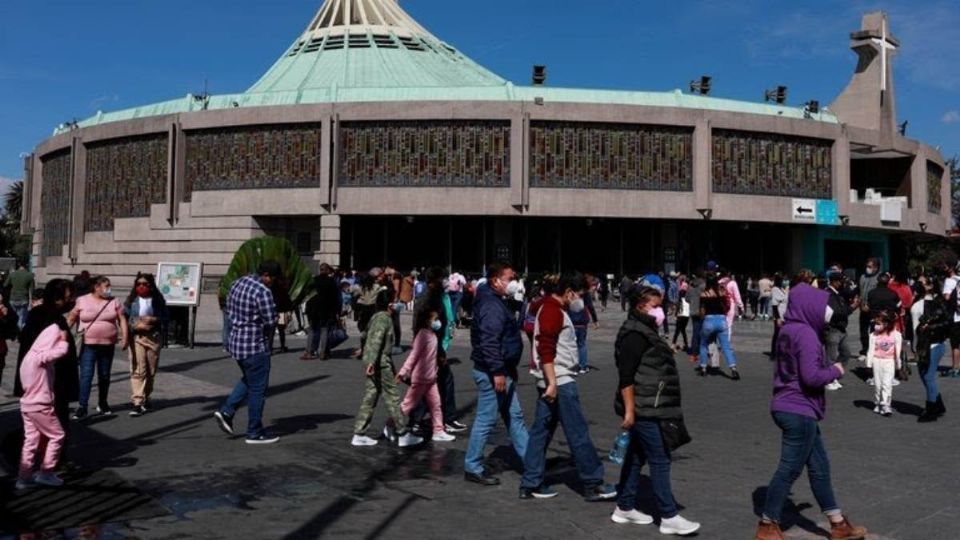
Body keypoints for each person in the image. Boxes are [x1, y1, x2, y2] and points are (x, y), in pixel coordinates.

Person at [756, 280, 867, 540]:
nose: (825, 311)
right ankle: (767, 524)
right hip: (799, 407)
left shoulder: (787, 330)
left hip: (787, 403)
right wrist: (836, 370)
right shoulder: (805, 334)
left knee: (819, 466)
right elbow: (811, 377)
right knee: (790, 468)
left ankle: (838, 523)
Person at [611, 286, 700, 536]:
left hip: (651, 402)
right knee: (660, 458)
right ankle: (669, 515)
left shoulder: (646, 331)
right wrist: (629, 412)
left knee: (638, 455)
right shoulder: (634, 335)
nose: (661, 311)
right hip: (645, 407)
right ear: (641, 306)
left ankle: (625, 506)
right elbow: (626, 376)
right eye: (656, 306)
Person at [520, 275, 617, 502]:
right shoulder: (553, 310)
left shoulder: (545, 306)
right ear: (569, 292)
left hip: (549, 378)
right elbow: (546, 348)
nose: (581, 300)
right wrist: (553, 382)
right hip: (560, 380)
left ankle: (530, 482)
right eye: (581, 295)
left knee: (541, 432)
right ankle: (593, 483)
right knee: (577, 431)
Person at [464, 262, 528, 486]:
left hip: (502, 370)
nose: (514, 282)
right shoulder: (491, 305)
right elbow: (489, 341)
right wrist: (498, 371)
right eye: (510, 278)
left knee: (515, 417)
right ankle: (472, 465)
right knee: (486, 419)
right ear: (496, 280)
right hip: (494, 372)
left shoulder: (494, 300)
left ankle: (531, 462)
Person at [213, 262, 281, 444]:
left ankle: (227, 411)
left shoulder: (238, 282)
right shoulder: (263, 291)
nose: (272, 283)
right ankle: (254, 432)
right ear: (266, 275)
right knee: (258, 389)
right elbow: (271, 319)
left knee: (249, 379)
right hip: (254, 344)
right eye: (273, 279)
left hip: (236, 341)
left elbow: (227, 307)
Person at [14, 280, 79, 467]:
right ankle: (50, 465)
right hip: (47, 382)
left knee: (40, 428)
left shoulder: (48, 315)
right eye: (69, 295)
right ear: (58, 298)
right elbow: (41, 353)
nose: (72, 299)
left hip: (48, 381)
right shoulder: (47, 317)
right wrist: (64, 345)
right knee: (53, 426)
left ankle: (33, 468)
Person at [351, 288, 422, 448]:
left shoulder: (376, 317)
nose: (398, 304)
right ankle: (402, 433)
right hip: (380, 363)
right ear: (390, 304)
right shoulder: (384, 319)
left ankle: (359, 432)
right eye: (396, 301)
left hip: (376, 361)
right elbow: (376, 340)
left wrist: (367, 357)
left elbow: (364, 336)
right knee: (392, 397)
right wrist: (372, 361)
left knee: (371, 396)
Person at [412, 266, 466, 434]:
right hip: (430, 347)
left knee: (435, 383)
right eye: (442, 279)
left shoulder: (441, 296)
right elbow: (422, 325)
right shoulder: (427, 299)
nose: (445, 282)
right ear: (433, 281)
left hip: (437, 345)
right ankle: (421, 419)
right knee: (433, 383)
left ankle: (427, 419)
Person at [16, 323, 70, 490]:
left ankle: (24, 477)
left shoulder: (28, 357)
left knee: (31, 440)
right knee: (57, 435)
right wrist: (63, 340)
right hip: (40, 405)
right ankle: (46, 472)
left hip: (27, 405)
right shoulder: (39, 358)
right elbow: (61, 352)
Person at [68, 276, 128, 419]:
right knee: (86, 376)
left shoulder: (114, 301)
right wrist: (60, 334)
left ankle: (103, 402)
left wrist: (125, 337)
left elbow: (122, 319)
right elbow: (71, 318)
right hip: (88, 344)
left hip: (107, 344)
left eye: (109, 285)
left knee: (104, 375)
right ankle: (82, 406)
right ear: (96, 287)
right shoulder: (82, 300)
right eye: (106, 285)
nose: (109, 288)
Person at [395, 309, 455, 443]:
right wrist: (403, 372)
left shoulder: (432, 335)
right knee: (408, 405)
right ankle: (391, 423)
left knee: (436, 405)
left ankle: (438, 431)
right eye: (435, 319)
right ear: (427, 321)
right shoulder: (423, 335)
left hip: (431, 378)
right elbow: (413, 356)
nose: (437, 322)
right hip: (421, 378)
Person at [123, 273, 169, 417]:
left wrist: (154, 319)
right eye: (138, 284)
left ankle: (146, 396)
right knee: (138, 370)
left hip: (154, 338)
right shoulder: (132, 301)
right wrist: (135, 326)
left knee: (151, 371)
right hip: (137, 337)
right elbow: (124, 318)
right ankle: (137, 402)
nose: (141, 287)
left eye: (145, 284)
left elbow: (166, 318)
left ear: (151, 286)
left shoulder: (157, 301)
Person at [912, 276, 949, 422]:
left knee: (928, 376)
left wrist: (930, 327)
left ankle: (931, 409)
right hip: (924, 345)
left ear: (930, 286)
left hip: (932, 346)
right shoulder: (921, 301)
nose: (918, 284)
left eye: (922, 282)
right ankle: (938, 404)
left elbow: (947, 322)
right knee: (924, 376)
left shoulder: (934, 303)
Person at [697, 274, 739, 379]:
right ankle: (733, 369)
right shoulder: (722, 292)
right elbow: (726, 307)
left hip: (709, 320)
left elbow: (702, 311)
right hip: (722, 320)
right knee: (726, 346)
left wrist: (702, 318)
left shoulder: (704, 294)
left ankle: (703, 368)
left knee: (703, 344)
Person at [864, 273, 901, 386]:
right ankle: (890, 375)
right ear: (888, 281)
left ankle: (873, 375)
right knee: (889, 349)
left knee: (873, 349)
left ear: (877, 281)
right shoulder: (893, 294)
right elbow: (899, 307)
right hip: (889, 325)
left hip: (874, 322)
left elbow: (867, 307)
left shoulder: (871, 293)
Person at [302, 264, 342, 360]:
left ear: (320, 270)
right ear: (327, 270)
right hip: (326, 310)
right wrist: (336, 311)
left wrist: (307, 309)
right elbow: (335, 298)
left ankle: (309, 352)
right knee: (324, 330)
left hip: (313, 310)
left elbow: (309, 296)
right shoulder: (331, 282)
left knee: (312, 330)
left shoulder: (313, 281)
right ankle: (323, 353)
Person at [866, 310, 901, 417]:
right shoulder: (873, 335)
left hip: (889, 361)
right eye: (876, 323)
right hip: (877, 361)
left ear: (886, 324)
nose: (876, 326)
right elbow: (870, 350)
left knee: (887, 384)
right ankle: (878, 403)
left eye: (878, 323)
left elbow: (898, 351)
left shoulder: (896, 335)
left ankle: (886, 404)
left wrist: (898, 365)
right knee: (878, 385)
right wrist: (869, 364)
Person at [823, 271, 854, 391]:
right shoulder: (828, 294)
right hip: (833, 328)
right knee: (831, 356)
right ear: (835, 282)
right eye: (841, 282)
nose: (843, 284)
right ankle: (828, 379)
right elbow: (836, 312)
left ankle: (835, 374)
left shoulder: (838, 294)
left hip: (841, 329)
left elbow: (844, 308)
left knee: (846, 353)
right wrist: (851, 308)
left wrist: (850, 307)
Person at [857, 258, 881, 360]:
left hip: (874, 309)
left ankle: (873, 350)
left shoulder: (879, 278)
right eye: (867, 266)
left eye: (870, 267)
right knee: (863, 330)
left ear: (876, 267)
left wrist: (870, 306)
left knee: (873, 331)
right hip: (863, 308)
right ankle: (864, 350)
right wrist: (860, 303)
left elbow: (879, 294)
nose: (868, 269)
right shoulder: (862, 277)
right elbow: (860, 291)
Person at [939, 261, 960, 377]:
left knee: (955, 343)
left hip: (955, 316)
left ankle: (955, 367)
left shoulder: (949, 281)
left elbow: (946, 297)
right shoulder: (959, 279)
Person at [5, 261, 34, 329]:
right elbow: (32, 289)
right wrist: (31, 300)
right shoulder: (30, 275)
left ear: (19, 265)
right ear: (26, 266)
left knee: (12, 316)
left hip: (13, 298)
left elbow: (5, 285)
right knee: (21, 317)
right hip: (23, 299)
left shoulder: (12, 274)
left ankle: (12, 332)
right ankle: (18, 333)